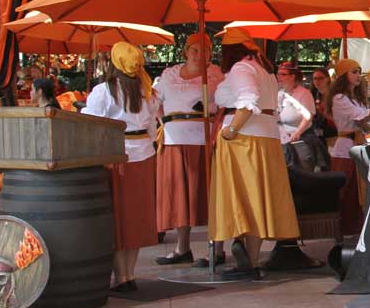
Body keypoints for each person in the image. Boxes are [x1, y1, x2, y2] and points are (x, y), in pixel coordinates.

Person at [211, 28, 299, 279]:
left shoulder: (241, 68)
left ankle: (247, 260)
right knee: (257, 197)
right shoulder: (263, 69)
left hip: (244, 139)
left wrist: (232, 129)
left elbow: (248, 100)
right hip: (264, 137)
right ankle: (249, 257)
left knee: (245, 196)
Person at [82, 42, 159, 292]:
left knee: (117, 218)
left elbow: (93, 124)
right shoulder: (147, 90)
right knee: (135, 218)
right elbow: (151, 128)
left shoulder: (104, 91)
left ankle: (121, 277)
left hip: (116, 157)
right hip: (144, 156)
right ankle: (130, 275)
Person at [153, 32, 224, 267]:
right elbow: (155, 101)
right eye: (195, 49)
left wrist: (210, 108)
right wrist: (162, 122)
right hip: (174, 139)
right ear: (185, 51)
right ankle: (182, 248)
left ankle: (217, 248)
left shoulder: (215, 75)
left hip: (202, 139)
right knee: (179, 196)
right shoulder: (170, 74)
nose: (200, 54)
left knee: (208, 194)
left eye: (205, 50)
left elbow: (225, 104)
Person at [328, 58, 370, 235]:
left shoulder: (354, 99)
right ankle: (348, 232)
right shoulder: (340, 98)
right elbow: (362, 118)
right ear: (343, 75)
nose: (359, 76)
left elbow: (364, 123)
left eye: (359, 71)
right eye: (354, 72)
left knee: (359, 194)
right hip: (346, 152)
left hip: (358, 149)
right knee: (349, 195)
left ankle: (359, 231)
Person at [277, 62, 315, 172]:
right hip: (283, 142)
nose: (279, 77)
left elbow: (308, 116)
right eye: (278, 74)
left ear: (293, 76)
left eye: (283, 74)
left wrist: (298, 132)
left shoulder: (304, 93)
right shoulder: (279, 94)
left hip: (300, 142)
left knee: (303, 175)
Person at [310, 67, 337, 141]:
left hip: (333, 134)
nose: (317, 81)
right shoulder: (312, 95)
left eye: (321, 78)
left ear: (328, 79)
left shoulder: (335, 96)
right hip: (317, 135)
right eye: (315, 78)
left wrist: (325, 113)